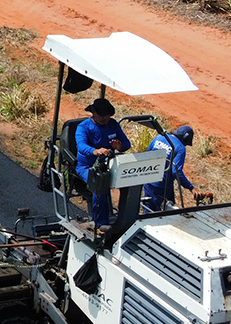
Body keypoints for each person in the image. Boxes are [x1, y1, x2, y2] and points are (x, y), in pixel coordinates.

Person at [75, 97, 131, 228]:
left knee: (129, 180)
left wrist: (120, 146)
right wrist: (95, 151)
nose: (105, 118)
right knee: (100, 184)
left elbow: (126, 144)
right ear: (94, 113)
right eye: (102, 116)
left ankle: (126, 217)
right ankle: (101, 223)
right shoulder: (83, 127)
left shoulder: (113, 124)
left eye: (107, 115)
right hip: (88, 167)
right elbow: (81, 146)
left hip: (110, 165)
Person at [143, 125, 196, 212]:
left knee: (148, 208)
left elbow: (147, 154)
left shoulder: (160, 137)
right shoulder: (180, 148)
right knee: (164, 213)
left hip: (148, 181)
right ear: (185, 138)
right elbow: (176, 171)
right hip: (162, 186)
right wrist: (191, 187)